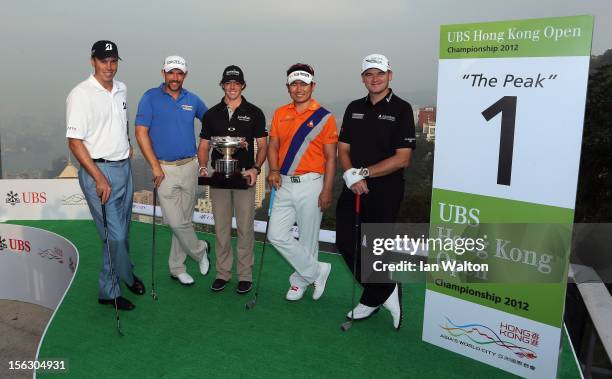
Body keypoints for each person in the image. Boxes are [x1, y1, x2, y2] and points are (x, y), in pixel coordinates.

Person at [336, 54, 416, 330]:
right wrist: (349, 174)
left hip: (386, 189)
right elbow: (343, 148)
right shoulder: (353, 107)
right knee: (345, 241)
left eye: (379, 73)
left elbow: (402, 158)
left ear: (389, 75)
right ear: (363, 78)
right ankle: (385, 289)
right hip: (354, 186)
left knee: (376, 249)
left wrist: (364, 173)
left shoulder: (403, 109)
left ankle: (373, 298)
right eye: (369, 74)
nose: (375, 78)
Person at [66, 40, 144, 311]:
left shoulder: (121, 88)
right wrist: (99, 177)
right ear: (93, 61)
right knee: (115, 236)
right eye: (103, 61)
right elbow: (74, 142)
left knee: (124, 229)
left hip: (124, 168)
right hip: (99, 173)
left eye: (113, 61)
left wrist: (125, 144)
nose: (109, 66)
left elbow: (118, 122)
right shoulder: (81, 94)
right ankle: (111, 289)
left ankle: (126, 273)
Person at [135, 56, 210, 286]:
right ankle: (200, 250)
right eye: (171, 72)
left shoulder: (193, 99)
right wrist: (155, 167)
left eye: (179, 73)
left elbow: (211, 123)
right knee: (175, 222)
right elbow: (140, 133)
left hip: (190, 167)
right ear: (163, 73)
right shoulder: (150, 97)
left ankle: (177, 268)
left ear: (185, 75)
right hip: (163, 169)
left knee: (184, 220)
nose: (175, 77)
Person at [266, 63, 337, 301]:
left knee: (308, 237)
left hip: (312, 183)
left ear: (312, 86)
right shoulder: (279, 113)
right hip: (283, 183)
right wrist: (273, 170)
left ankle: (300, 282)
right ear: (288, 87)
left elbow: (330, 157)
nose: (299, 88)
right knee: (275, 234)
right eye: (294, 84)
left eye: (303, 83)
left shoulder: (325, 117)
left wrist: (327, 189)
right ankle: (317, 271)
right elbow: (273, 145)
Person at [197, 65, 267, 294]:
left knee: (245, 228)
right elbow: (205, 145)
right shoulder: (211, 114)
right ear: (222, 85)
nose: (232, 87)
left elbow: (263, 145)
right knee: (221, 228)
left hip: (244, 177)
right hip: (218, 177)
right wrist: (202, 167)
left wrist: (256, 168)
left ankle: (245, 275)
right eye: (228, 83)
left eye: (237, 83)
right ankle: (223, 273)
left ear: (243, 85)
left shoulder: (255, 112)